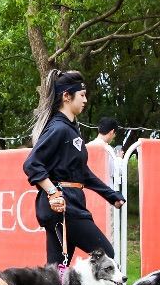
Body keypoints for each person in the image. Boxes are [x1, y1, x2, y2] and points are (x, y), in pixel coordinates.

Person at [23, 70, 125, 266]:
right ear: (67, 97)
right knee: (107, 258)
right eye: (82, 95)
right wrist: (53, 193)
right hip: (63, 207)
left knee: (57, 271)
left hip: (70, 204)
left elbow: (83, 173)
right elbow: (32, 164)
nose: (85, 100)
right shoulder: (58, 129)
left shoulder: (71, 129)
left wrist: (111, 195)